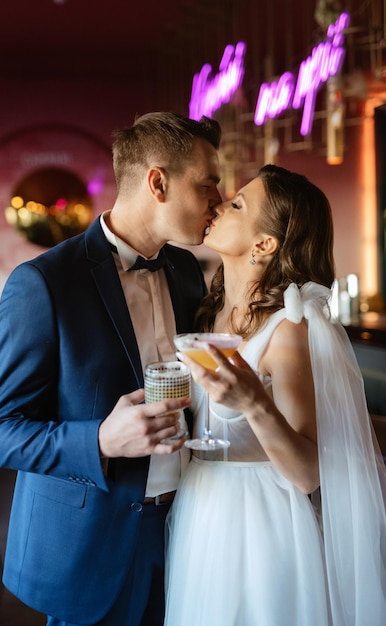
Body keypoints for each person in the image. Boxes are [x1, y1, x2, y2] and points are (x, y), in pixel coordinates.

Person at [0, 112, 222, 626]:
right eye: (208, 185)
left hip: (188, 532)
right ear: (158, 182)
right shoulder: (44, 283)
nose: (217, 202)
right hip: (90, 545)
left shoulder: (185, 273)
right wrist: (101, 441)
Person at [164, 164, 386, 626]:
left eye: (239, 204)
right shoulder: (206, 314)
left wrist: (253, 403)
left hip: (258, 523)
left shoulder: (287, 330)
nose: (220, 203)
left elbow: (308, 474)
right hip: (202, 505)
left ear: (264, 245)